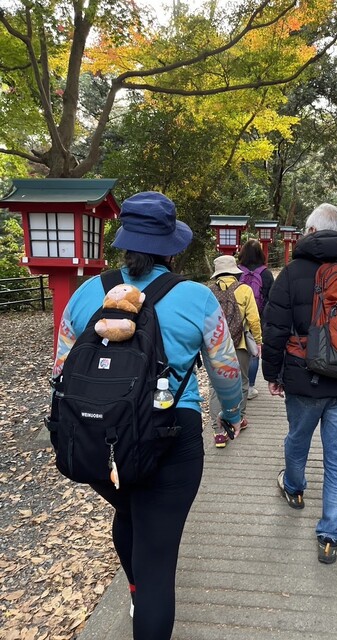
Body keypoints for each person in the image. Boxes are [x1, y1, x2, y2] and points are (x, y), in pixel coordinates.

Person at [52, 192, 243, 640]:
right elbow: (226, 369)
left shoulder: (86, 293)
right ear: (172, 247)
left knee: (131, 513)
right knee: (159, 560)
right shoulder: (196, 297)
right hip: (170, 440)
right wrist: (230, 413)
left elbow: (60, 368)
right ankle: (146, 591)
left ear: (123, 242)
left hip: (99, 441)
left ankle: (135, 590)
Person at [261, 203, 337, 564]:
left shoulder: (292, 273)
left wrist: (273, 374)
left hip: (303, 378)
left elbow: (275, 330)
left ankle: (295, 488)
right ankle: (330, 534)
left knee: (297, 438)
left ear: (310, 232)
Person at [208, 254, 262, 447]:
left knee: (215, 386)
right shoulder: (245, 289)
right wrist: (258, 341)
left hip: (215, 347)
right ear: (234, 272)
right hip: (239, 345)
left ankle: (218, 431)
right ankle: (238, 418)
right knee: (243, 382)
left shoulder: (209, 292)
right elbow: (254, 320)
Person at [237, 239, 274, 400]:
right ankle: (250, 387)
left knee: (237, 349)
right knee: (254, 352)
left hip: (236, 317)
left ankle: (236, 384)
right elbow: (271, 299)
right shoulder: (266, 274)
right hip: (259, 317)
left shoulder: (236, 271)